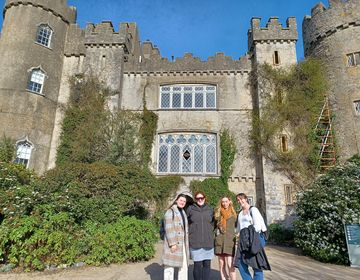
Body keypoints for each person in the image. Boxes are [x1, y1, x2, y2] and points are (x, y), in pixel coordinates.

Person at [234, 193, 271, 280]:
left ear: (246, 199)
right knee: (241, 264)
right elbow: (239, 228)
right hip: (244, 241)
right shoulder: (240, 214)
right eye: (238, 200)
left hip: (255, 239)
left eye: (241, 199)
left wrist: (247, 235)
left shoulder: (253, 210)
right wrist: (237, 236)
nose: (240, 201)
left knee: (256, 264)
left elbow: (257, 227)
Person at [186, 191, 214, 280]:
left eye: (201, 198)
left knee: (207, 265)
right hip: (195, 241)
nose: (200, 200)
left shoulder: (210, 209)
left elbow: (214, 223)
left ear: (205, 198)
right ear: (195, 199)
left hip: (208, 241)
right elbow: (185, 222)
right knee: (197, 265)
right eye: (198, 198)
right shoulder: (190, 209)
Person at [162, 193, 190, 280]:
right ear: (176, 200)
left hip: (183, 244)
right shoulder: (170, 211)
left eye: (184, 201)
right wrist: (173, 244)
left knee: (183, 267)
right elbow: (169, 228)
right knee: (169, 268)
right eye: (181, 200)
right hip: (174, 243)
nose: (182, 202)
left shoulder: (183, 212)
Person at [214, 196, 237, 280]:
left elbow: (239, 227)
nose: (224, 203)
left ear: (229, 202)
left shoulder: (234, 214)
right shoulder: (218, 214)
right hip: (220, 242)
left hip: (230, 242)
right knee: (221, 264)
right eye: (223, 202)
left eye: (226, 201)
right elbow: (213, 227)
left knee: (230, 264)